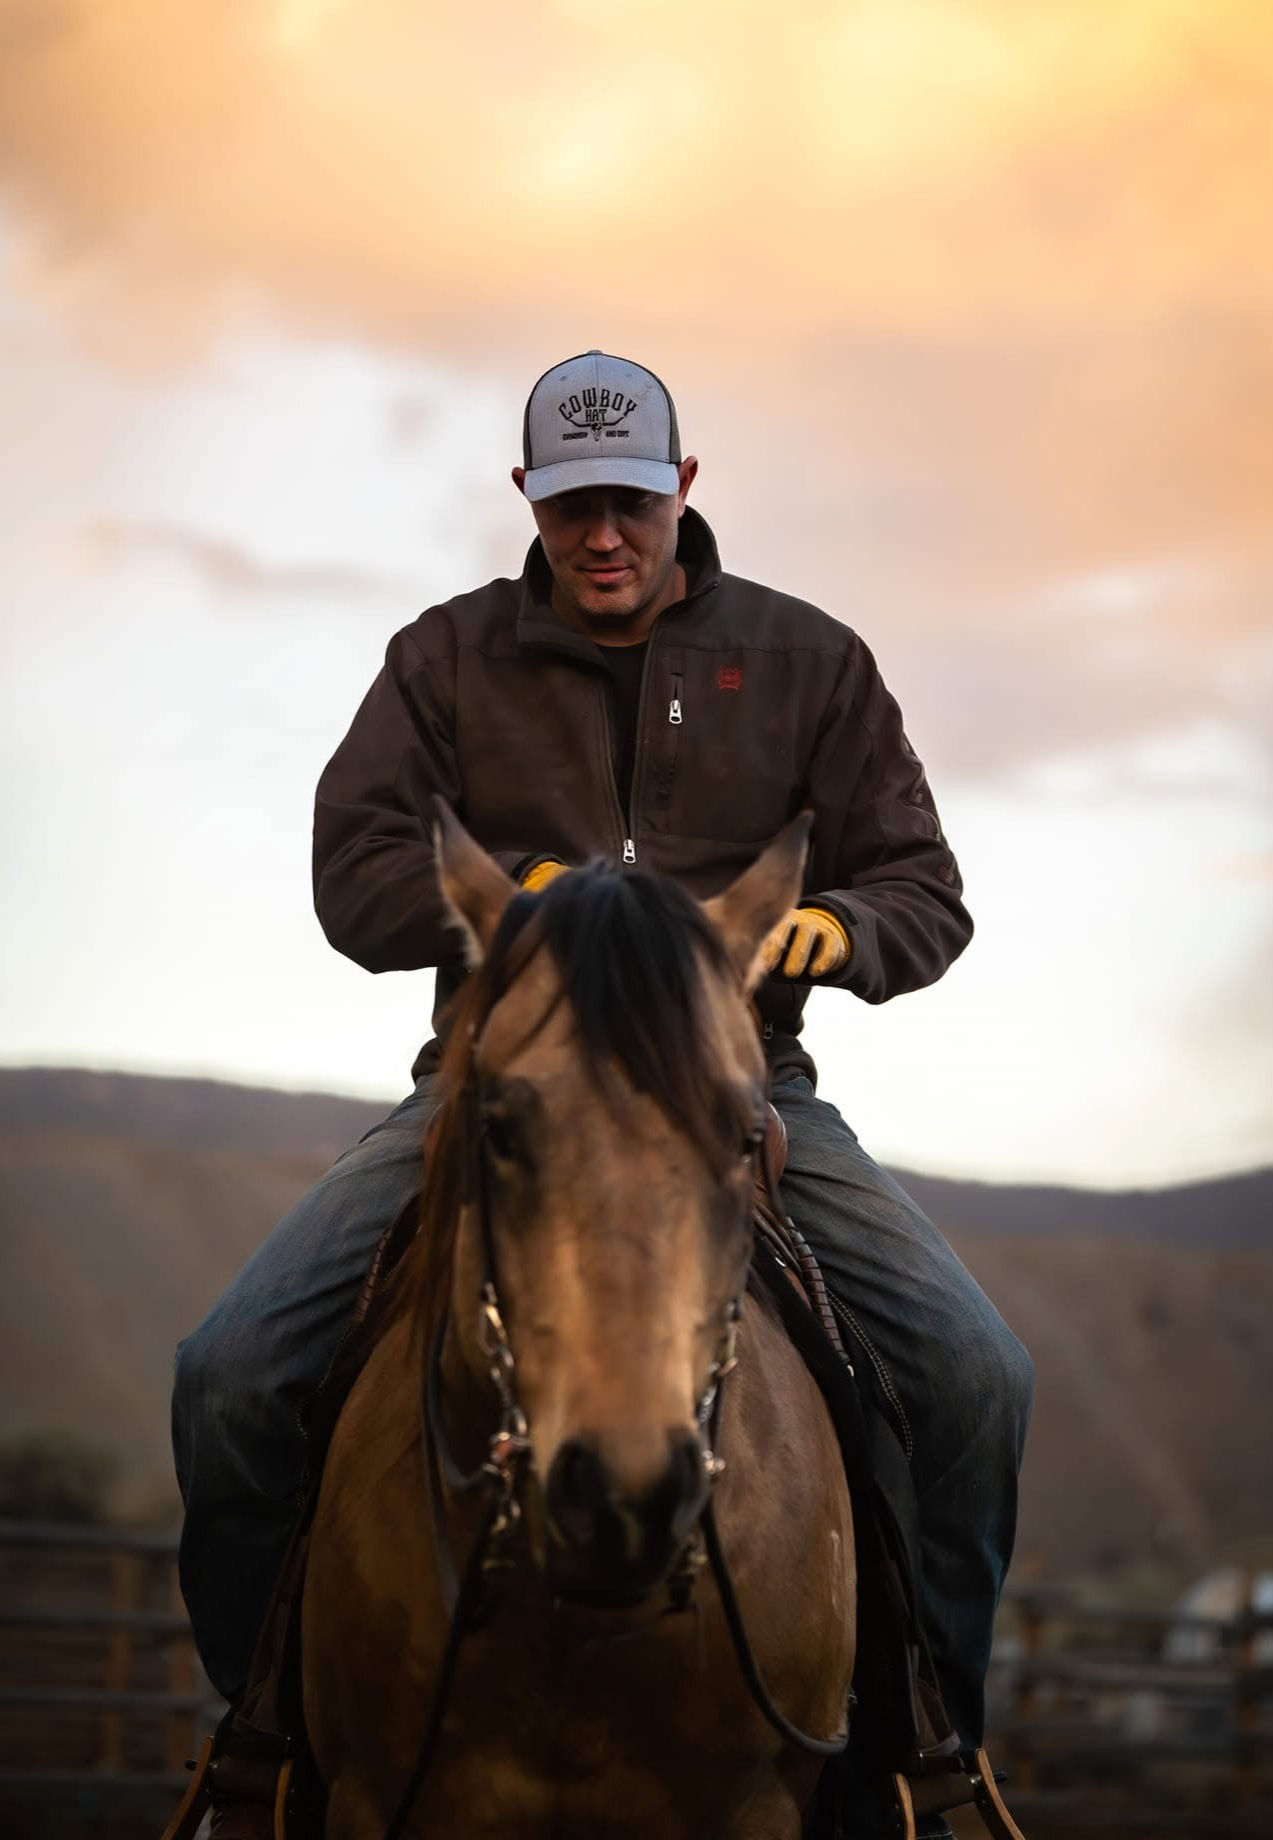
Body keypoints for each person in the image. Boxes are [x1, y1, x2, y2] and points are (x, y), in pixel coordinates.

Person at [172, 350, 1033, 1836]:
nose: (604, 538)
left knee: (974, 1378)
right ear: (531, 501)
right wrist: (513, 903)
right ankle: (271, 1737)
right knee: (231, 1377)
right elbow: (357, 867)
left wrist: (842, 933)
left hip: (739, 1094)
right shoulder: (443, 662)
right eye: (574, 509)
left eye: (631, 502)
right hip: (492, 1093)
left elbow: (924, 888)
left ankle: (922, 1749)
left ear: (682, 491)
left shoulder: (812, 661)